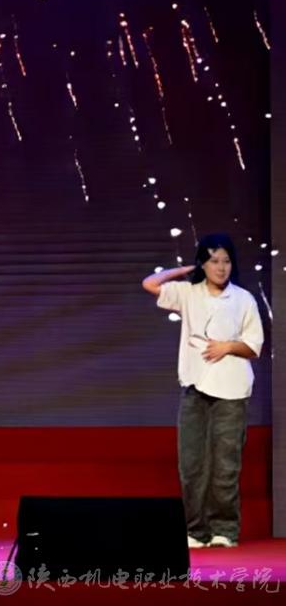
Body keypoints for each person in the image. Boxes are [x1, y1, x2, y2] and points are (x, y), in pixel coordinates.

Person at [142, 234, 263, 549]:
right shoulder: (188, 293)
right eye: (213, 261)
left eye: (226, 261)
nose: (221, 267)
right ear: (203, 264)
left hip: (232, 391)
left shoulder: (243, 299)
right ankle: (196, 530)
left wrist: (227, 346)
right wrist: (185, 270)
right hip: (194, 388)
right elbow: (150, 284)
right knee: (192, 464)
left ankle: (224, 529)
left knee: (225, 464)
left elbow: (254, 346)